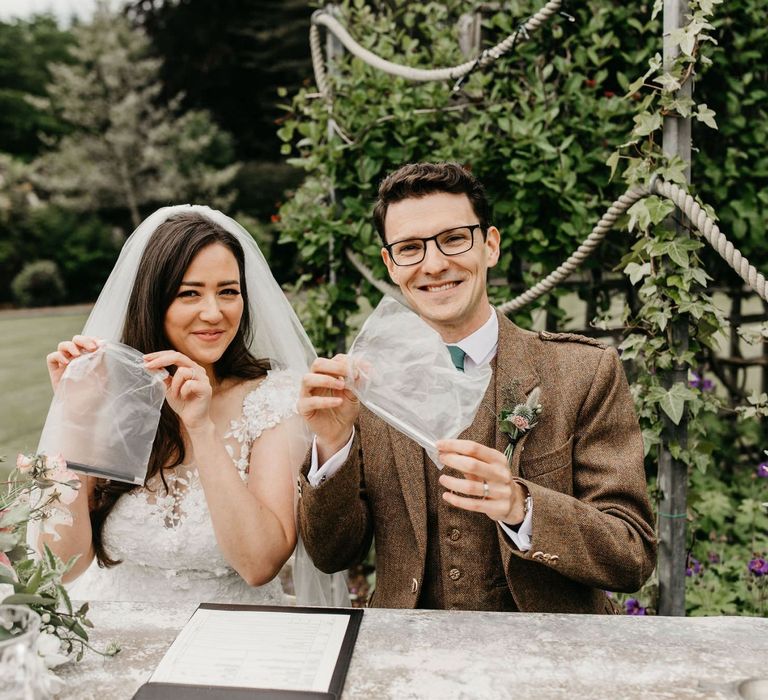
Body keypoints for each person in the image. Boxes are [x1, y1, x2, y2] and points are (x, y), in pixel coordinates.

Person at [297, 162, 657, 613]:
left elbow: (632, 554)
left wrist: (521, 505)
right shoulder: (365, 386)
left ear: (490, 245)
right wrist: (332, 444)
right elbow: (332, 554)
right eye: (410, 248)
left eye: (453, 239)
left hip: (548, 660)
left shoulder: (583, 372)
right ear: (390, 265)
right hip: (410, 656)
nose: (433, 264)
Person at [40, 206, 346, 606]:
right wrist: (75, 419)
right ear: (153, 301)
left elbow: (259, 564)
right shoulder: (110, 396)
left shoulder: (271, 400)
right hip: (117, 632)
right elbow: (61, 567)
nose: (213, 313)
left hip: (232, 638)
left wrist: (201, 427)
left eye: (228, 291)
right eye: (189, 293)